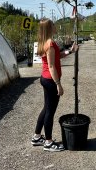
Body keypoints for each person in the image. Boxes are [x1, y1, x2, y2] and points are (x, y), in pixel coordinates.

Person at [31, 19, 78, 152]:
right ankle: (48, 142)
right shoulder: (50, 43)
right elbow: (51, 66)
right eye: (53, 25)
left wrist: (70, 51)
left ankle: (36, 137)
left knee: (46, 108)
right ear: (48, 28)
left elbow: (57, 57)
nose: (55, 26)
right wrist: (58, 84)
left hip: (45, 78)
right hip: (50, 80)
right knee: (50, 112)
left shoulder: (45, 42)